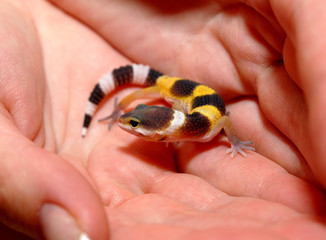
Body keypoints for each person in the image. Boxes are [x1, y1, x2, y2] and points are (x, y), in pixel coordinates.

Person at [1, 0, 326, 239]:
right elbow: (176, 110)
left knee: (158, 93)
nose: (132, 129)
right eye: (134, 124)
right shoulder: (171, 103)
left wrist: (236, 140)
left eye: (136, 126)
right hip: (177, 91)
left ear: (160, 135)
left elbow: (223, 119)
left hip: (194, 98)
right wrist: (120, 111)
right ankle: (111, 104)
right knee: (145, 92)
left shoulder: (203, 129)